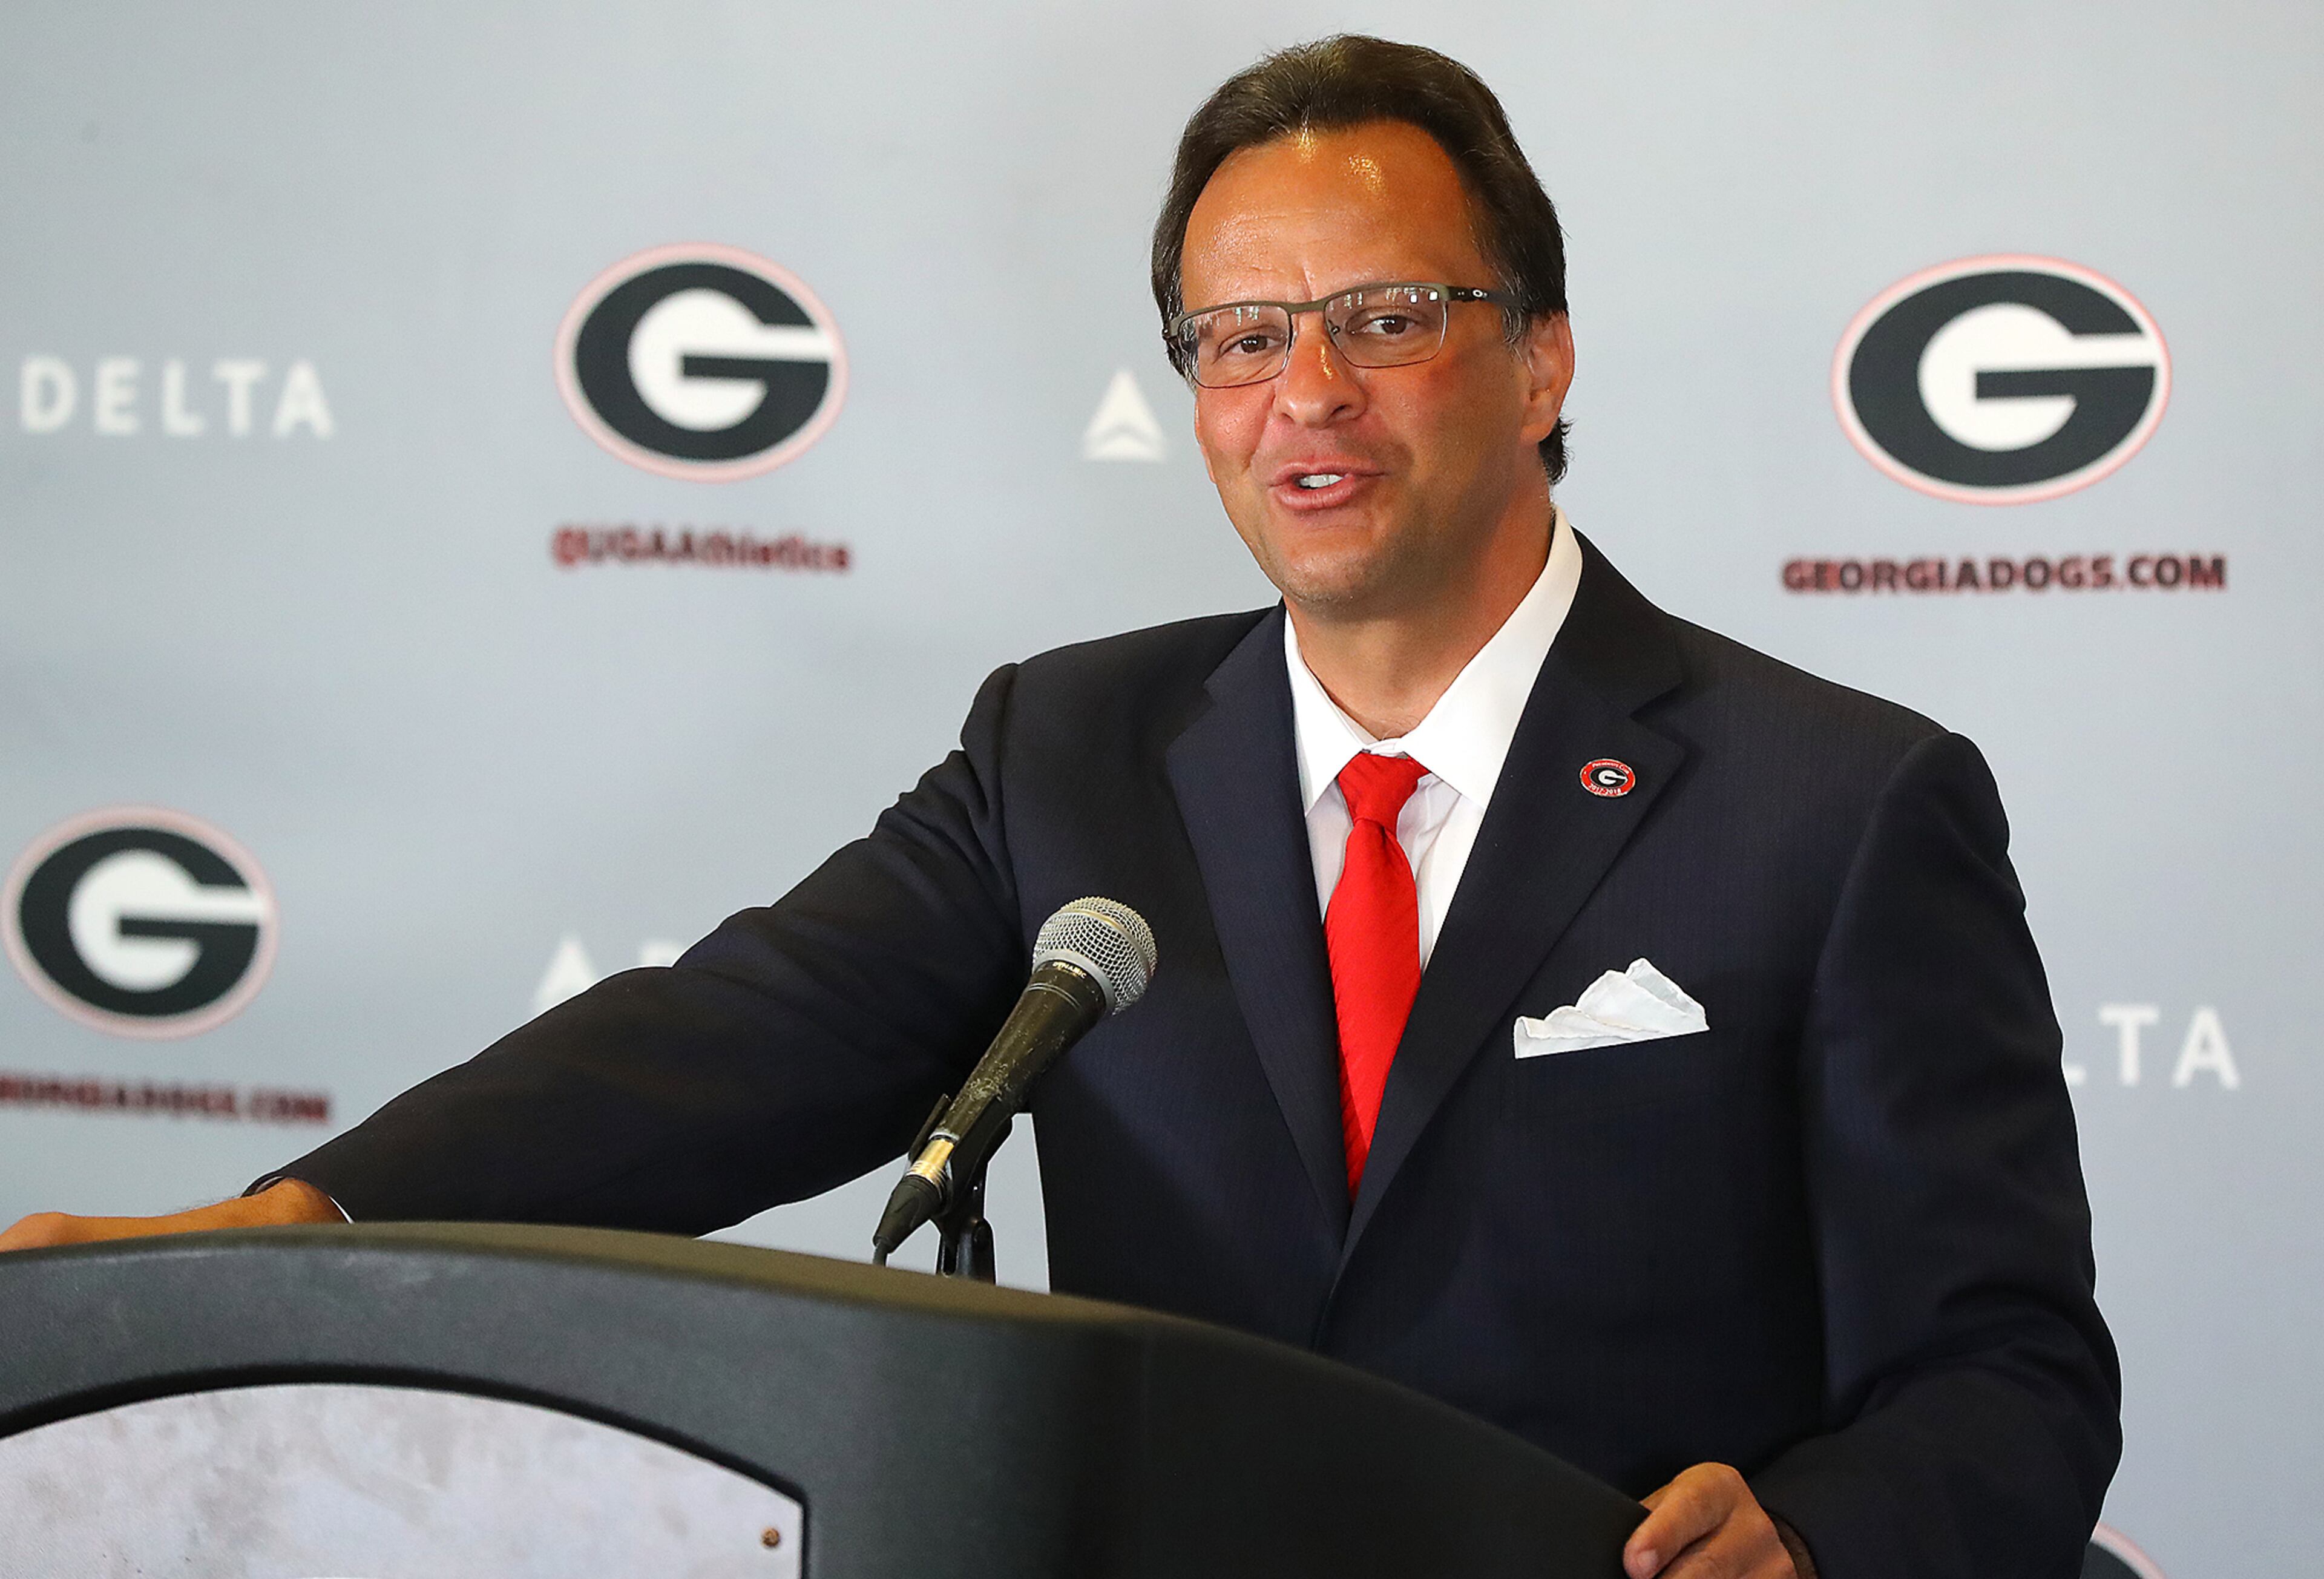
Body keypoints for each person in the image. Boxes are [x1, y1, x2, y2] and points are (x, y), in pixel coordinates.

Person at [2, 35, 2117, 1579]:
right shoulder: (1072, 750)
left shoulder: (1842, 804)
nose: (1306, 393)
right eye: (1239, 337)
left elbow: (2010, 1369)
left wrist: (1820, 1536)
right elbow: (712, 1050)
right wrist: (290, 1230)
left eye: (1385, 320)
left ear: (1543, 358)